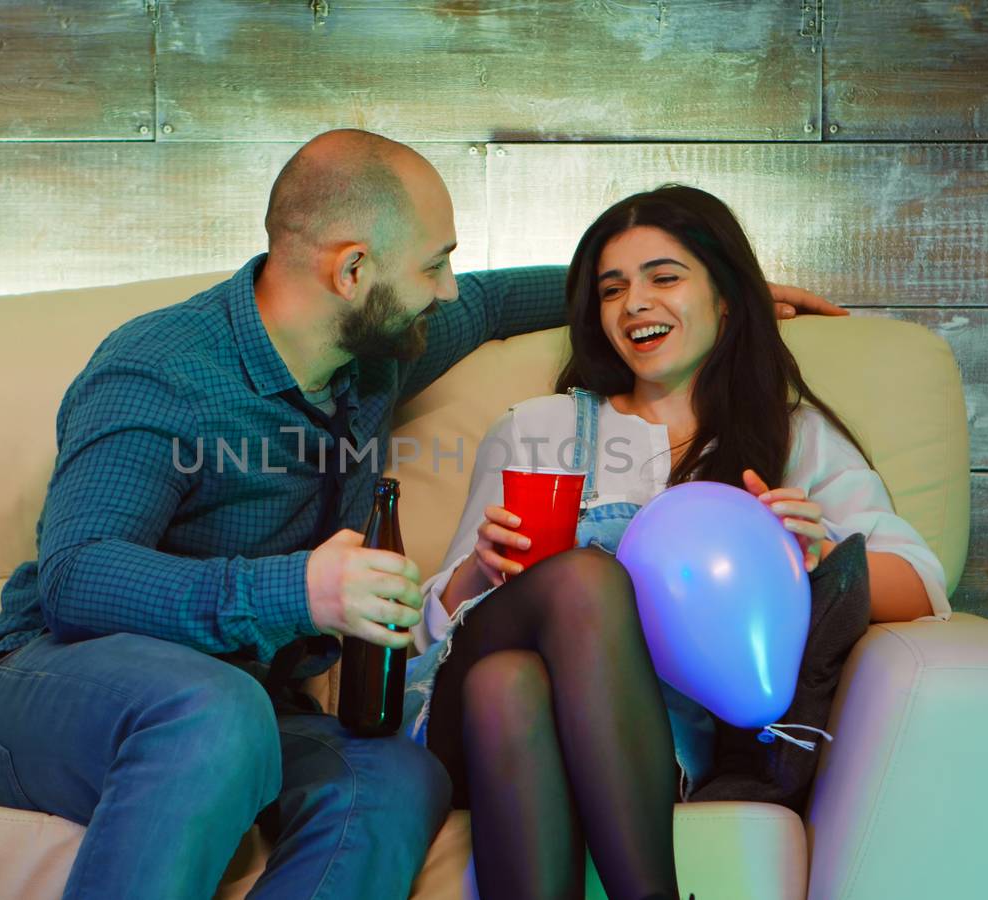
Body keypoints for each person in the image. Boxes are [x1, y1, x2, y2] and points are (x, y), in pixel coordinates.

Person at [0, 128, 844, 900]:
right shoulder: (160, 374)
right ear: (353, 270)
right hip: (57, 680)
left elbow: (492, 301)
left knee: (398, 777)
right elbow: (76, 576)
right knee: (212, 709)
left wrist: (724, 303)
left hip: (260, 699)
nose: (448, 289)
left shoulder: (373, 350)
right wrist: (300, 590)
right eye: (435, 265)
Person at [403, 184, 953, 900]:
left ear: (725, 299)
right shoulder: (537, 429)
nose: (634, 303)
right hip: (457, 721)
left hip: (644, 744)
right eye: (612, 289)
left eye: (664, 278)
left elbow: (922, 582)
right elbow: (422, 632)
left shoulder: (790, 441)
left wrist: (810, 561)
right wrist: (477, 572)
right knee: (577, 588)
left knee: (510, 689)